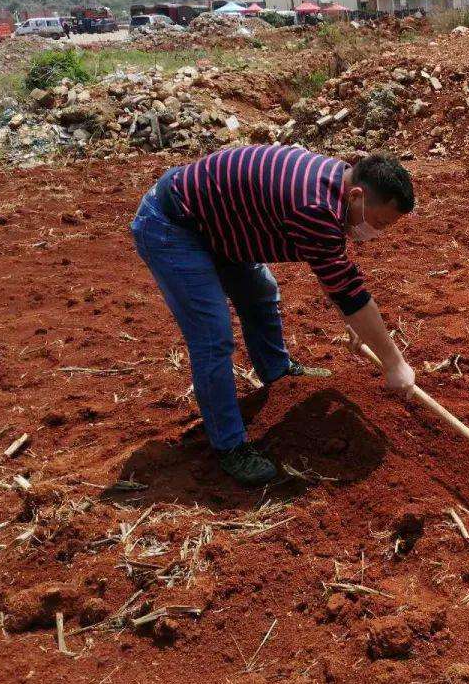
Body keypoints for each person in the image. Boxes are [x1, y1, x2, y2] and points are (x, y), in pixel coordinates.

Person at [130, 148, 417, 485]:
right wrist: (394, 363)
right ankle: (229, 445)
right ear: (357, 194)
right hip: (174, 226)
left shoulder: (336, 181)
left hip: (221, 224)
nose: (376, 232)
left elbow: (333, 276)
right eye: (380, 222)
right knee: (213, 337)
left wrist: (356, 322)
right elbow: (348, 290)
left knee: (260, 292)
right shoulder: (316, 208)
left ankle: (277, 372)